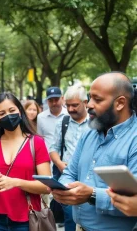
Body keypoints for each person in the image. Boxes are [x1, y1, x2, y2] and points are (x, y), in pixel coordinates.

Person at [52, 72, 137, 231]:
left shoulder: (134, 139)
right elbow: (70, 172)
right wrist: (64, 190)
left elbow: (132, 202)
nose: (89, 104)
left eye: (97, 100)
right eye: (90, 97)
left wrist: (91, 195)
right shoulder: (89, 134)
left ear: (120, 103)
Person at [0, 92, 51, 231]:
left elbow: (46, 187)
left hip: (27, 218)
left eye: (12, 111)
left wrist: (15, 182)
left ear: (20, 111)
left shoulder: (36, 143)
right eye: (2, 113)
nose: (8, 116)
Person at [49, 84, 89, 231]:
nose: (71, 109)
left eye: (75, 105)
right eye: (68, 105)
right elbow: (53, 148)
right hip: (68, 178)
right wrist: (59, 164)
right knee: (70, 219)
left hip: (88, 178)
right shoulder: (63, 122)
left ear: (85, 103)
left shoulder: (95, 123)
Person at [37, 87, 68, 151]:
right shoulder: (41, 117)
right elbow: (40, 139)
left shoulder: (69, 115)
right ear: (47, 101)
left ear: (62, 99)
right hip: (48, 157)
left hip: (65, 157)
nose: (54, 103)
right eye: (50, 100)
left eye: (56, 100)